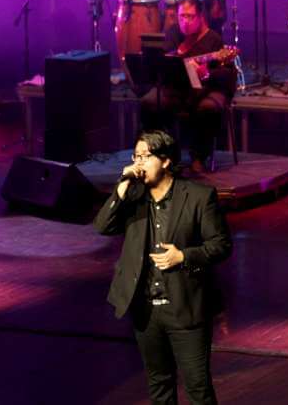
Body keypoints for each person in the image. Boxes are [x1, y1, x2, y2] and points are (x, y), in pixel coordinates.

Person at [93, 130, 231, 404]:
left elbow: (221, 245)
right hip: (145, 309)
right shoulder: (133, 198)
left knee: (198, 387)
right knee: (159, 384)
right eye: (136, 156)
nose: (139, 163)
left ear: (166, 161)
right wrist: (121, 185)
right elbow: (103, 226)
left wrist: (184, 256)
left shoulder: (198, 196)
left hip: (186, 307)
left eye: (146, 156)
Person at [140, 0, 237, 173]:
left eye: (190, 16)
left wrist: (206, 72)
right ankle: (162, 153)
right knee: (149, 102)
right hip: (175, 86)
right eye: (181, 16)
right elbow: (165, 59)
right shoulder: (173, 33)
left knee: (206, 108)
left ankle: (199, 156)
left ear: (200, 17)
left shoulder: (213, 39)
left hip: (204, 88)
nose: (185, 21)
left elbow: (226, 75)